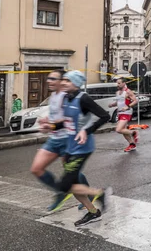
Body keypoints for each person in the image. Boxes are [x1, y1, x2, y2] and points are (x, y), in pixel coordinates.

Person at [39, 70, 112, 227]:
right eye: (63, 80)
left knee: (65, 186)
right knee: (70, 184)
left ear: (76, 84)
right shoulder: (66, 97)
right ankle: (93, 212)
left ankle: (98, 193)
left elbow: (105, 116)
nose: (64, 83)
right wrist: (50, 126)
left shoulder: (83, 99)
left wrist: (86, 130)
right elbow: (66, 122)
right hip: (70, 146)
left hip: (82, 147)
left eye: (68, 81)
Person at [32, 70, 91, 211]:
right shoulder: (53, 95)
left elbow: (70, 118)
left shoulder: (67, 96)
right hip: (54, 138)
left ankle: (89, 196)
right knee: (36, 168)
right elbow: (56, 116)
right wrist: (46, 121)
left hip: (68, 139)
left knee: (73, 173)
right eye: (48, 78)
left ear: (61, 81)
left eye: (53, 78)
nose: (49, 81)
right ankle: (60, 192)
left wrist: (51, 125)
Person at [109, 78, 139, 152]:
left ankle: (134, 132)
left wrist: (128, 106)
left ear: (123, 83)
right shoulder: (117, 92)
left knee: (119, 129)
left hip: (126, 112)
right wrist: (112, 105)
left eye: (119, 83)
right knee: (123, 130)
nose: (118, 85)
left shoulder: (128, 92)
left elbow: (135, 101)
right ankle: (132, 144)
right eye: (117, 83)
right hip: (120, 113)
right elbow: (118, 102)